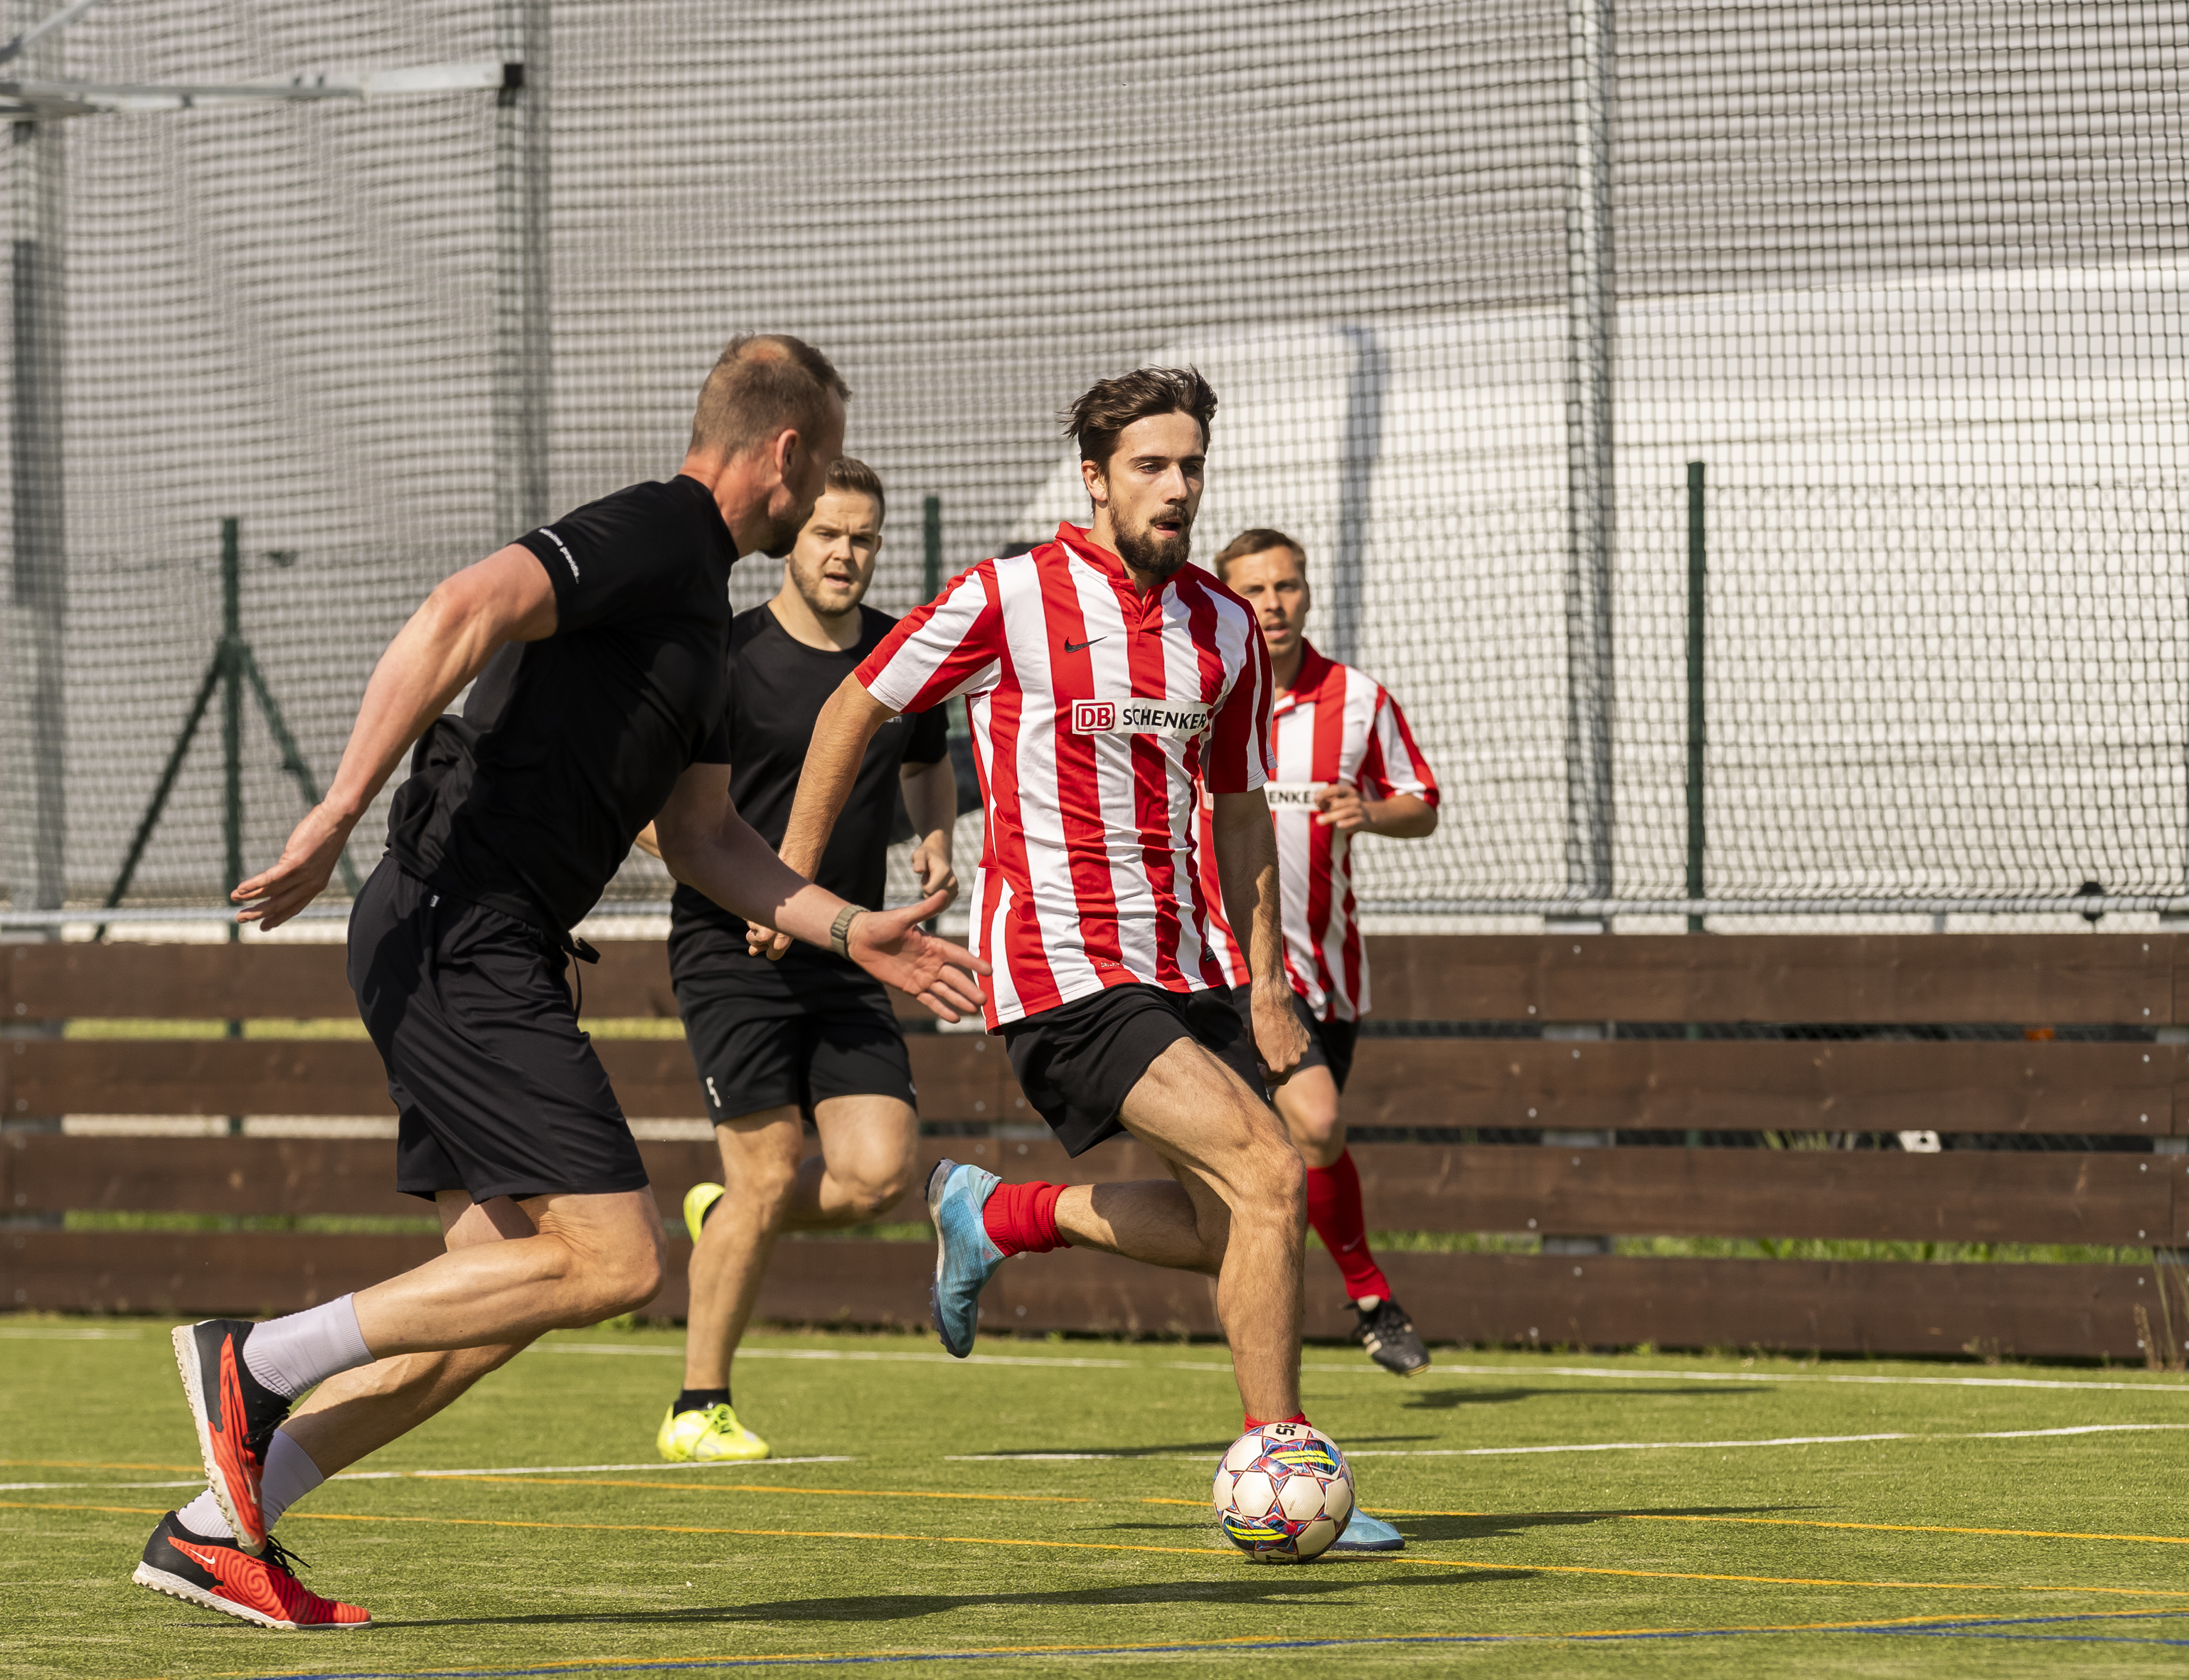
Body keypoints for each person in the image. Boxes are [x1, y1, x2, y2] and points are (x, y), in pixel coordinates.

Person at [128, 336, 986, 1631]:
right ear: (788, 454)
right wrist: (335, 808)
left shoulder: (701, 614)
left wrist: (845, 925)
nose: (823, 514)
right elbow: (459, 610)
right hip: (456, 922)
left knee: (496, 1302)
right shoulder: (656, 529)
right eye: (818, 482)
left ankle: (214, 1532)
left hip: (482, 939)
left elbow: (706, 841)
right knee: (614, 1255)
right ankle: (253, 1362)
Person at [769, 364, 1331, 1427]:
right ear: (1094, 478)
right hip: (1058, 965)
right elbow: (854, 705)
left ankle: (1001, 1212)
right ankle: (1280, 1461)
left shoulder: (1223, 627)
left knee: (1238, 1220)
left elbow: (1243, 810)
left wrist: (1266, 980)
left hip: (1182, 961)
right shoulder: (1007, 594)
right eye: (1150, 466)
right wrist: (790, 883)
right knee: (1269, 1170)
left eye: (1191, 467)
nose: (1177, 488)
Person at [634, 455, 956, 1462]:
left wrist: (934, 831)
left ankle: (730, 1214)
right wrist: (743, 879)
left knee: (877, 1175)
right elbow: (650, 815)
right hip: (733, 945)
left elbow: (927, 758)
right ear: (792, 539)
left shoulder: (903, 658)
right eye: (827, 533)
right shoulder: (723, 656)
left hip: (852, 948)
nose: (846, 554)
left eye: (863, 537)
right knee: (769, 1169)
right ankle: (697, 1405)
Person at [1193, 529, 1441, 1377]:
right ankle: (1369, 1298)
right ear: (1225, 597)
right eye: (1253, 590)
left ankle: (1008, 1218)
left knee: (1299, 1156)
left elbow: (1422, 801)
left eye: (1285, 587)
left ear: (1305, 594)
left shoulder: (1358, 700)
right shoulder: (1201, 689)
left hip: (1327, 974)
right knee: (1312, 1124)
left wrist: (1371, 812)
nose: (1271, 604)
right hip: (1224, 968)